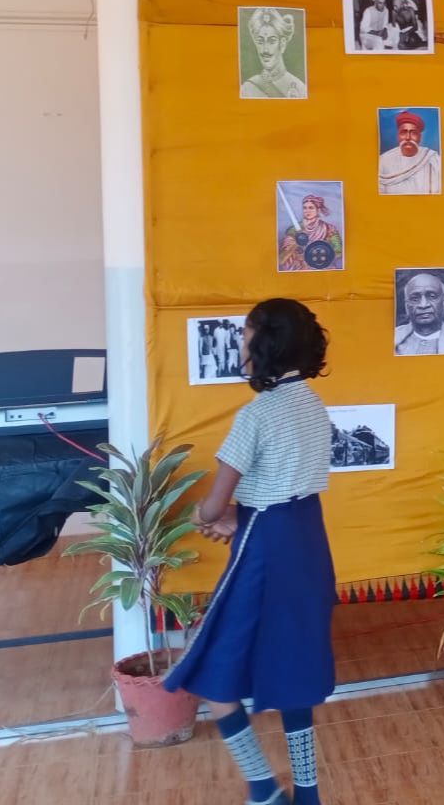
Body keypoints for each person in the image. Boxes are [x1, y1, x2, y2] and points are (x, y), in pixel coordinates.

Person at [165, 300, 334, 805]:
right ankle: (307, 794)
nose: (241, 344)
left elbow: (215, 504)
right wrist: (241, 517)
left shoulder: (255, 414)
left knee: (214, 670)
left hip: (263, 550)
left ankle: (263, 789)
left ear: (264, 344)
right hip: (306, 539)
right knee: (295, 666)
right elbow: (288, 490)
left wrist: (201, 517)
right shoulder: (313, 405)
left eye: (245, 334)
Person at [240, 8, 306, 99]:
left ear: (282, 44)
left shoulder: (300, 89)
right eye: (260, 41)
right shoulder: (247, 88)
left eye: (272, 41)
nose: (265, 50)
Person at [378, 110, 441, 195]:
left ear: (420, 137)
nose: (408, 137)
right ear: (398, 136)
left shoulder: (432, 158)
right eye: (403, 132)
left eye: (413, 133)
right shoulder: (384, 160)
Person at [393, 272, 444, 355]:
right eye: (415, 299)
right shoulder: (391, 337)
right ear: (407, 307)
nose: (423, 305)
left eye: (432, 296)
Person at [278, 193, 341, 272]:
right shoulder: (293, 230)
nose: (307, 211)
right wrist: (296, 243)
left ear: (318, 210)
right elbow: (281, 259)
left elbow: (339, 250)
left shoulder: (329, 228)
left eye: (311, 208)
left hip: (322, 267)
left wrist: (323, 255)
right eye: (305, 208)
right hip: (300, 269)